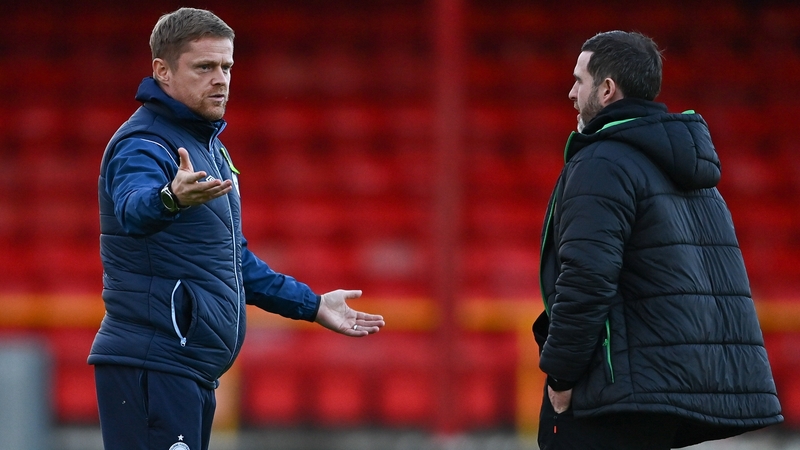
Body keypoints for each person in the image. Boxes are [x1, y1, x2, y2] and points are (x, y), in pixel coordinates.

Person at [89, 7, 385, 450]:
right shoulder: (144, 144)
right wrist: (169, 198)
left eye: (227, 66)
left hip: (188, 368)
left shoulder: (207, 147)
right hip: (153, 363)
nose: (221, 79)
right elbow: (133, 209)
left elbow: (231, 261)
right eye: (205, 67)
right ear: (162, 71)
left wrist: (311, 305)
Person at [533, 30, 782, 450]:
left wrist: (560, 376)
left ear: (608, 89)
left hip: (613, 395)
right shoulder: (694, 171)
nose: (571, 92)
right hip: (668, 390)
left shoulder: (601, 162)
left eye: (579, 80)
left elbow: (586, 280)